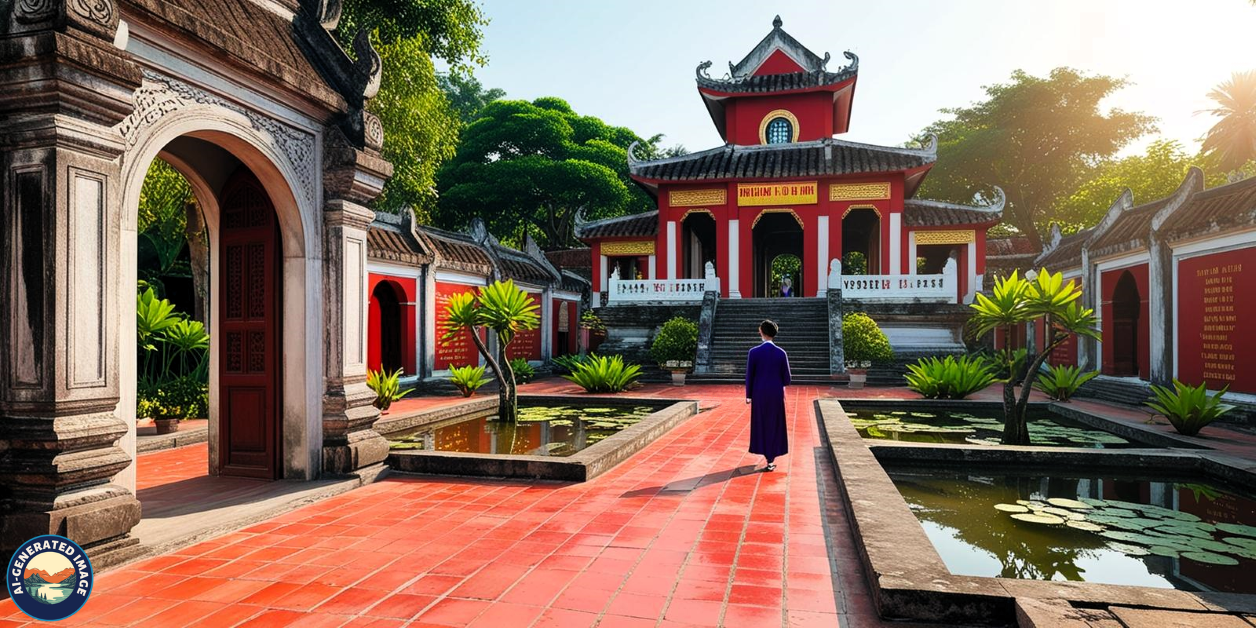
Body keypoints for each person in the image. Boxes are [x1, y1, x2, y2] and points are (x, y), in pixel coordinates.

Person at [745, 319, 791, 471]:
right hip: (776, 393)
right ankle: (771, 459)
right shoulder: (781, 353)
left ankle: (765, 452)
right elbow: (787, 379)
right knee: (775, 424)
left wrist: (749, 395)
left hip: (759, 393)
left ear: (762, 332)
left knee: (761, 423)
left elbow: (750, 375)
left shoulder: (754, 352)